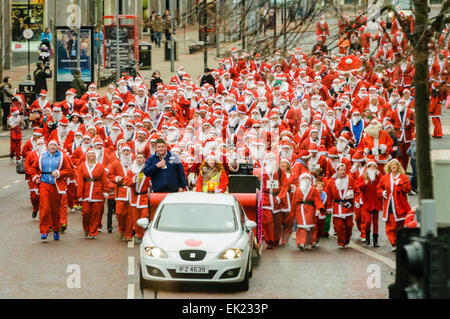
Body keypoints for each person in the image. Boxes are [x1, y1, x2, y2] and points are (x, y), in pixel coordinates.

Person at [31, 140, 72, 241]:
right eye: (51, 145)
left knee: (55, 209)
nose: (52, 147)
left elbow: (68, 170)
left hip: (56, 185)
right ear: (47, 147)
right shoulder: (42, 156)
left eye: (54, 145)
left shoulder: (62, 157)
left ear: (57, 147)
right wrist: (36, 177)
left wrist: (58, 173)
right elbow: (34, 169)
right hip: (44, 184)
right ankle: (44, 231)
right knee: (44, 207)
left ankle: (56, 229)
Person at [378, 159, 411, 251]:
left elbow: (408, 189)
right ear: (389, 167)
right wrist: (382, 192)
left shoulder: (403, 177)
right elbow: (379, 188)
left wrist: (400, 183)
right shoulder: (385, 177)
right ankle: (394, 243)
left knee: (401, 225)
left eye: (395, 165)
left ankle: (401, 242)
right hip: (390, 205)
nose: (393, 166)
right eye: (392, 165)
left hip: (401, 205)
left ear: (398, 166)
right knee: (391, 225)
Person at [325, 163, 361, 248]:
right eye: (341, 170)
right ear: (337, 171)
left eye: (344, 170)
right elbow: (328, 195)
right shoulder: (331, 181)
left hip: (348, 206)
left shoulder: (350, 179)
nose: (343, 172)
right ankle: (341, 242)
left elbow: (357, 192)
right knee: (339, 226)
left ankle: (347, 239)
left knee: (349, 225)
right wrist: (329, 207)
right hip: (337, 206)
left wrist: (356, 200)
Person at [76, 148, 108, 239]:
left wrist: (105, 191)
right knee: (86, 212)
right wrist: (79, 194)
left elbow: (104, 179)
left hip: (97, 192)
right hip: (86, 191)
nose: (91, 155)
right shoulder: (82, 166)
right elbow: (80, 180)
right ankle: (86, 228)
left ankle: (93, 231)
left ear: (95, 155)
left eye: (93, 154)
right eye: (89, 154)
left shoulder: (100, 166)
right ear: (86, 155)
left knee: (96, 213)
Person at [292, 173, 325, 250]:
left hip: (310, 209)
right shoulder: (297, 190)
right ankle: (301, 242)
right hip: (300, 210)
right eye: (304, 178)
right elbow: (294, 201)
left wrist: (318, 209)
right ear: (301, 180)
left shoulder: (313, 190)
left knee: (310, 226)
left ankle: (308, 241)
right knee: (301, 226)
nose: (306, 180)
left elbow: (317, 200)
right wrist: (293, 212)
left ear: (310, 180)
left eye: (307, 178)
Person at [124, 153, 151, 244]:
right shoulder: (131, 170)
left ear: (144, 159)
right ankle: (139, 235)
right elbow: (127, 182)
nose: (139, 159)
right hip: (135, 197)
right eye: (137, 158)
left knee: (144, 216)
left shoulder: (148, 169)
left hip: (145, 197)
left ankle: (146, 235)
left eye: (141, 158)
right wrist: (135, 178)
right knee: (136, 218)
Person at [358, 161, 383, 247]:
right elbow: (358, 187)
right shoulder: (363, 177)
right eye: (370, 166)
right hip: (366, 203)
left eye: (374, 167)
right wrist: (364, 184)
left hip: (376, 202)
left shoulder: (378, 176)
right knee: (368, 221)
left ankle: (375, 240)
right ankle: (367, 236)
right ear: (367, 168)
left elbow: (383, 184)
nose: (372, 168)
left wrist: (379, 175)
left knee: (375, 222)